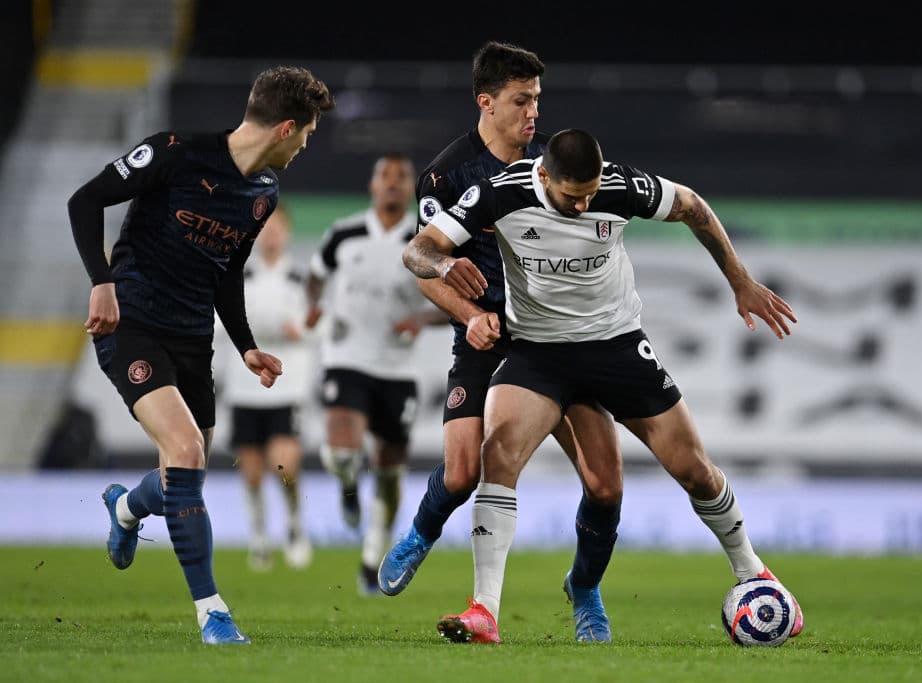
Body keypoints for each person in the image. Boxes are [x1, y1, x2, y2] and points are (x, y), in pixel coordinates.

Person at [403, 128, 805, 644]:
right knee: (497, 453)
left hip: (615, 347)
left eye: (590, 193)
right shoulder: (503, 190)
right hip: (537, 353)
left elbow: (693, 206)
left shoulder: (619, 187)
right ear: (544, 176)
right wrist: (445, 262)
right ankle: (484, 610)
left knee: (692, 471)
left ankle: (753, 571)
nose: (585, 203)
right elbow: (419, 250)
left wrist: (740, 280)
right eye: (574, 196)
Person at [67, 66, 334, 645]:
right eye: (307, 133)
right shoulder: (174, 152)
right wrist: (101, 281)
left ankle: (125, 512)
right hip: (131, 323)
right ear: (286, 127)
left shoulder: (263, 195)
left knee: (183, 475)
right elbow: (85, 200)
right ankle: (213, 614)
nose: (306, 145)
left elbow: (226, 272)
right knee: (185, 451)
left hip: (193, 339)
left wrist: (246, 347)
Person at [378, 41, 625, 644]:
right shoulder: (446, 174)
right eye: (521, 100)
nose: (532, 112)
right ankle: (420, 533)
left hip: (556, 340)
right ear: (486, 103)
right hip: (485, 337)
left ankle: (585, 589)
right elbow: (423, 261)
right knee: (462, 473)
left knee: (602, 484)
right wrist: (467, 312)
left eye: (537, 100)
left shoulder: (553, 167)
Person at [305, 153, 442, 595]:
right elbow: (314, 275)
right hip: (346, 356)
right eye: (386, 176)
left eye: (403, 177)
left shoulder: (424, 242)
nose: (393, 184)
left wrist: (422, 320)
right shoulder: (344, 233)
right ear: (372, 185)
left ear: (411, 190)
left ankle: (373, 551)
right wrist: (315, 306)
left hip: (398, 367)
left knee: (389, 470)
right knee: (342, 453)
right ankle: (347, 486)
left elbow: (452, 299)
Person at [216, 203, 313, 572]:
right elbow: (220, 325)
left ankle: (294, 526)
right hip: (244, 387)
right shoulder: (237, 276)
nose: (271, 234)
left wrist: (299, 330)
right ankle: (259, 536)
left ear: (287, 232)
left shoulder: (300, 280)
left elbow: (318, 326)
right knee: (253, 471)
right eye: (265, 227)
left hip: (288, 387)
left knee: (284, 465)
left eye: (277, 227)